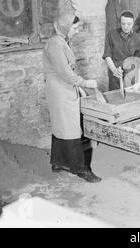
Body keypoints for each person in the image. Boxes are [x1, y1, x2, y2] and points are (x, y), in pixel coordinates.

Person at [43, 14, 101, 183]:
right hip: (60, 91)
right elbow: (65, 72)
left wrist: (79, 88)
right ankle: (81, 169)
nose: (77, 31)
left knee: (60, 126)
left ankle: (58, 162)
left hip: (64, 87)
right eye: (74, 28)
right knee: (72, 129)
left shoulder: (61, 41)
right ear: (65, 27)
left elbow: (67, 71)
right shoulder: (55, 44)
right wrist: (86, 83)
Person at [103, 10, 140, 92]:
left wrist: (139, 82)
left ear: (133, 23)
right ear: (120, 22)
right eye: (123, 24)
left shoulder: (138, 39)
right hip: (115, 77)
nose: (126, 26)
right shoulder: (111, 35)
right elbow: (107, 55)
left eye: (129, 24)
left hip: (132, 77)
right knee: (116, 100)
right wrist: (114, 70)